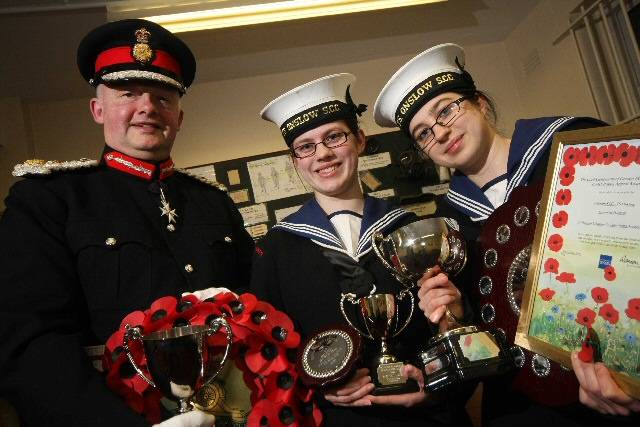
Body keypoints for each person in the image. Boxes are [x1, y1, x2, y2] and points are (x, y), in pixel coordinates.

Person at [0, 19, 254, 426]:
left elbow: (254, 308)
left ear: (179, 115)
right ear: (98, 109)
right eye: (128, 94)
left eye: (162, 97)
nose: (148, 108)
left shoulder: (214, 203)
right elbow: (29, 344)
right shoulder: (48, 200)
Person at [373, 43, 640, 426]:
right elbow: (482, 346)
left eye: (446, 109)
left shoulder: (572, 145)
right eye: (424, 134)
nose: (442, 132)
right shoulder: (449, 227)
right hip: (525, 401)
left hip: (617, 376)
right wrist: (455, 319)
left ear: (480, 103)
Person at [251, 73, 473, 427]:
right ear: (294, 161)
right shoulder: (276, 249)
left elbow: (456, 323)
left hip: (429, 417)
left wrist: (438, 386)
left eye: (333, 137)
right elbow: (265, 352)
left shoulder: (412, 228)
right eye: (305, 146)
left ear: (359, 140)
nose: (321, 153)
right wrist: (316, 385)